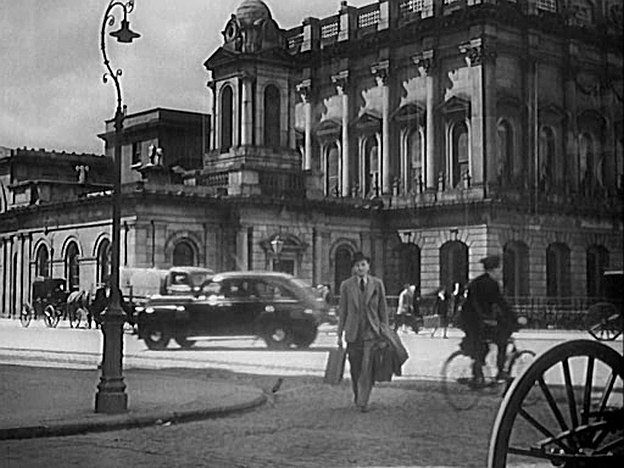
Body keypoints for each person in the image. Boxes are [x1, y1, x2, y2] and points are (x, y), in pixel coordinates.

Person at [337, 251, 389, 412]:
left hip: (371, 333)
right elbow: (343, 311)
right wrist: (339, 334)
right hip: (353, 334)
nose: (360, 268)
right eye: (357, 265)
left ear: (368, 266)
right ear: (354, 268)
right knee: (355, 368)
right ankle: (357, 393)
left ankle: (363, 400)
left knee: (368, 368)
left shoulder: (377, 284)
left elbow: (383, 310)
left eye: (363, 265)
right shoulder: (346, 285)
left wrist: (385, 331)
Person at [459, 255, 517, 385]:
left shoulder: (479, 282)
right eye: (499, 270)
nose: (500, 273)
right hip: (475, 320)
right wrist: (514, 317)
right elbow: (499, 303)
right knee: (500, 340)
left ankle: (479, 373)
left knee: (488, 343)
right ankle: (498, 372)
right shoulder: (489, 284)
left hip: (473, 319)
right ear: (493, 270)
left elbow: (497, 304)